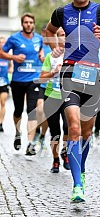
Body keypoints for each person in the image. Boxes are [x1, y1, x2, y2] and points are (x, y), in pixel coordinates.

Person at [45, 0, 100, 203]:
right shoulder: (60, 12)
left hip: (92, 75)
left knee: (86, 133)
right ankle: (77, 186)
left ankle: (82, 171)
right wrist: (55, 46)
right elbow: (47, 31)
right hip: (69, 72)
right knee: (74, 129)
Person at [0, 13, 44, 155]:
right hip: (18, 80)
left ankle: (30, 143)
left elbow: (41, 51)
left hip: (34, 80)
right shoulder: (14, 39)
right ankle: (18, 133)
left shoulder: (39, 39)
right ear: (22, 24)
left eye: (31, 22)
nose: (28, 24)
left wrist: (42, 56)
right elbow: (2, 53)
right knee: (18, 110)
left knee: (32, 111)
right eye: (26, 22)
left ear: (34, 24)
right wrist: (13, 57)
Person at [40, 27, 70, 173]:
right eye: (62, 35)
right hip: (51, 96)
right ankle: (56, 160)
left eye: (66, 35)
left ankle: (64, 151)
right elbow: (41, 77)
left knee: (68, 128)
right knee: (55, 132)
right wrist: (53, 72)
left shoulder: (74, 55)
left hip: (68, 97)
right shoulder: (50, 56)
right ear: (57, 38)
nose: (64, 38)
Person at [0, 37, 13, 132]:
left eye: (3, 43)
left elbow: (11, 69)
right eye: (0, 43)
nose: (2, 45)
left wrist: (10, 72)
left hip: (4, 83)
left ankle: (1, 123)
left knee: (3, 102)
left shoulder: (8, 57)